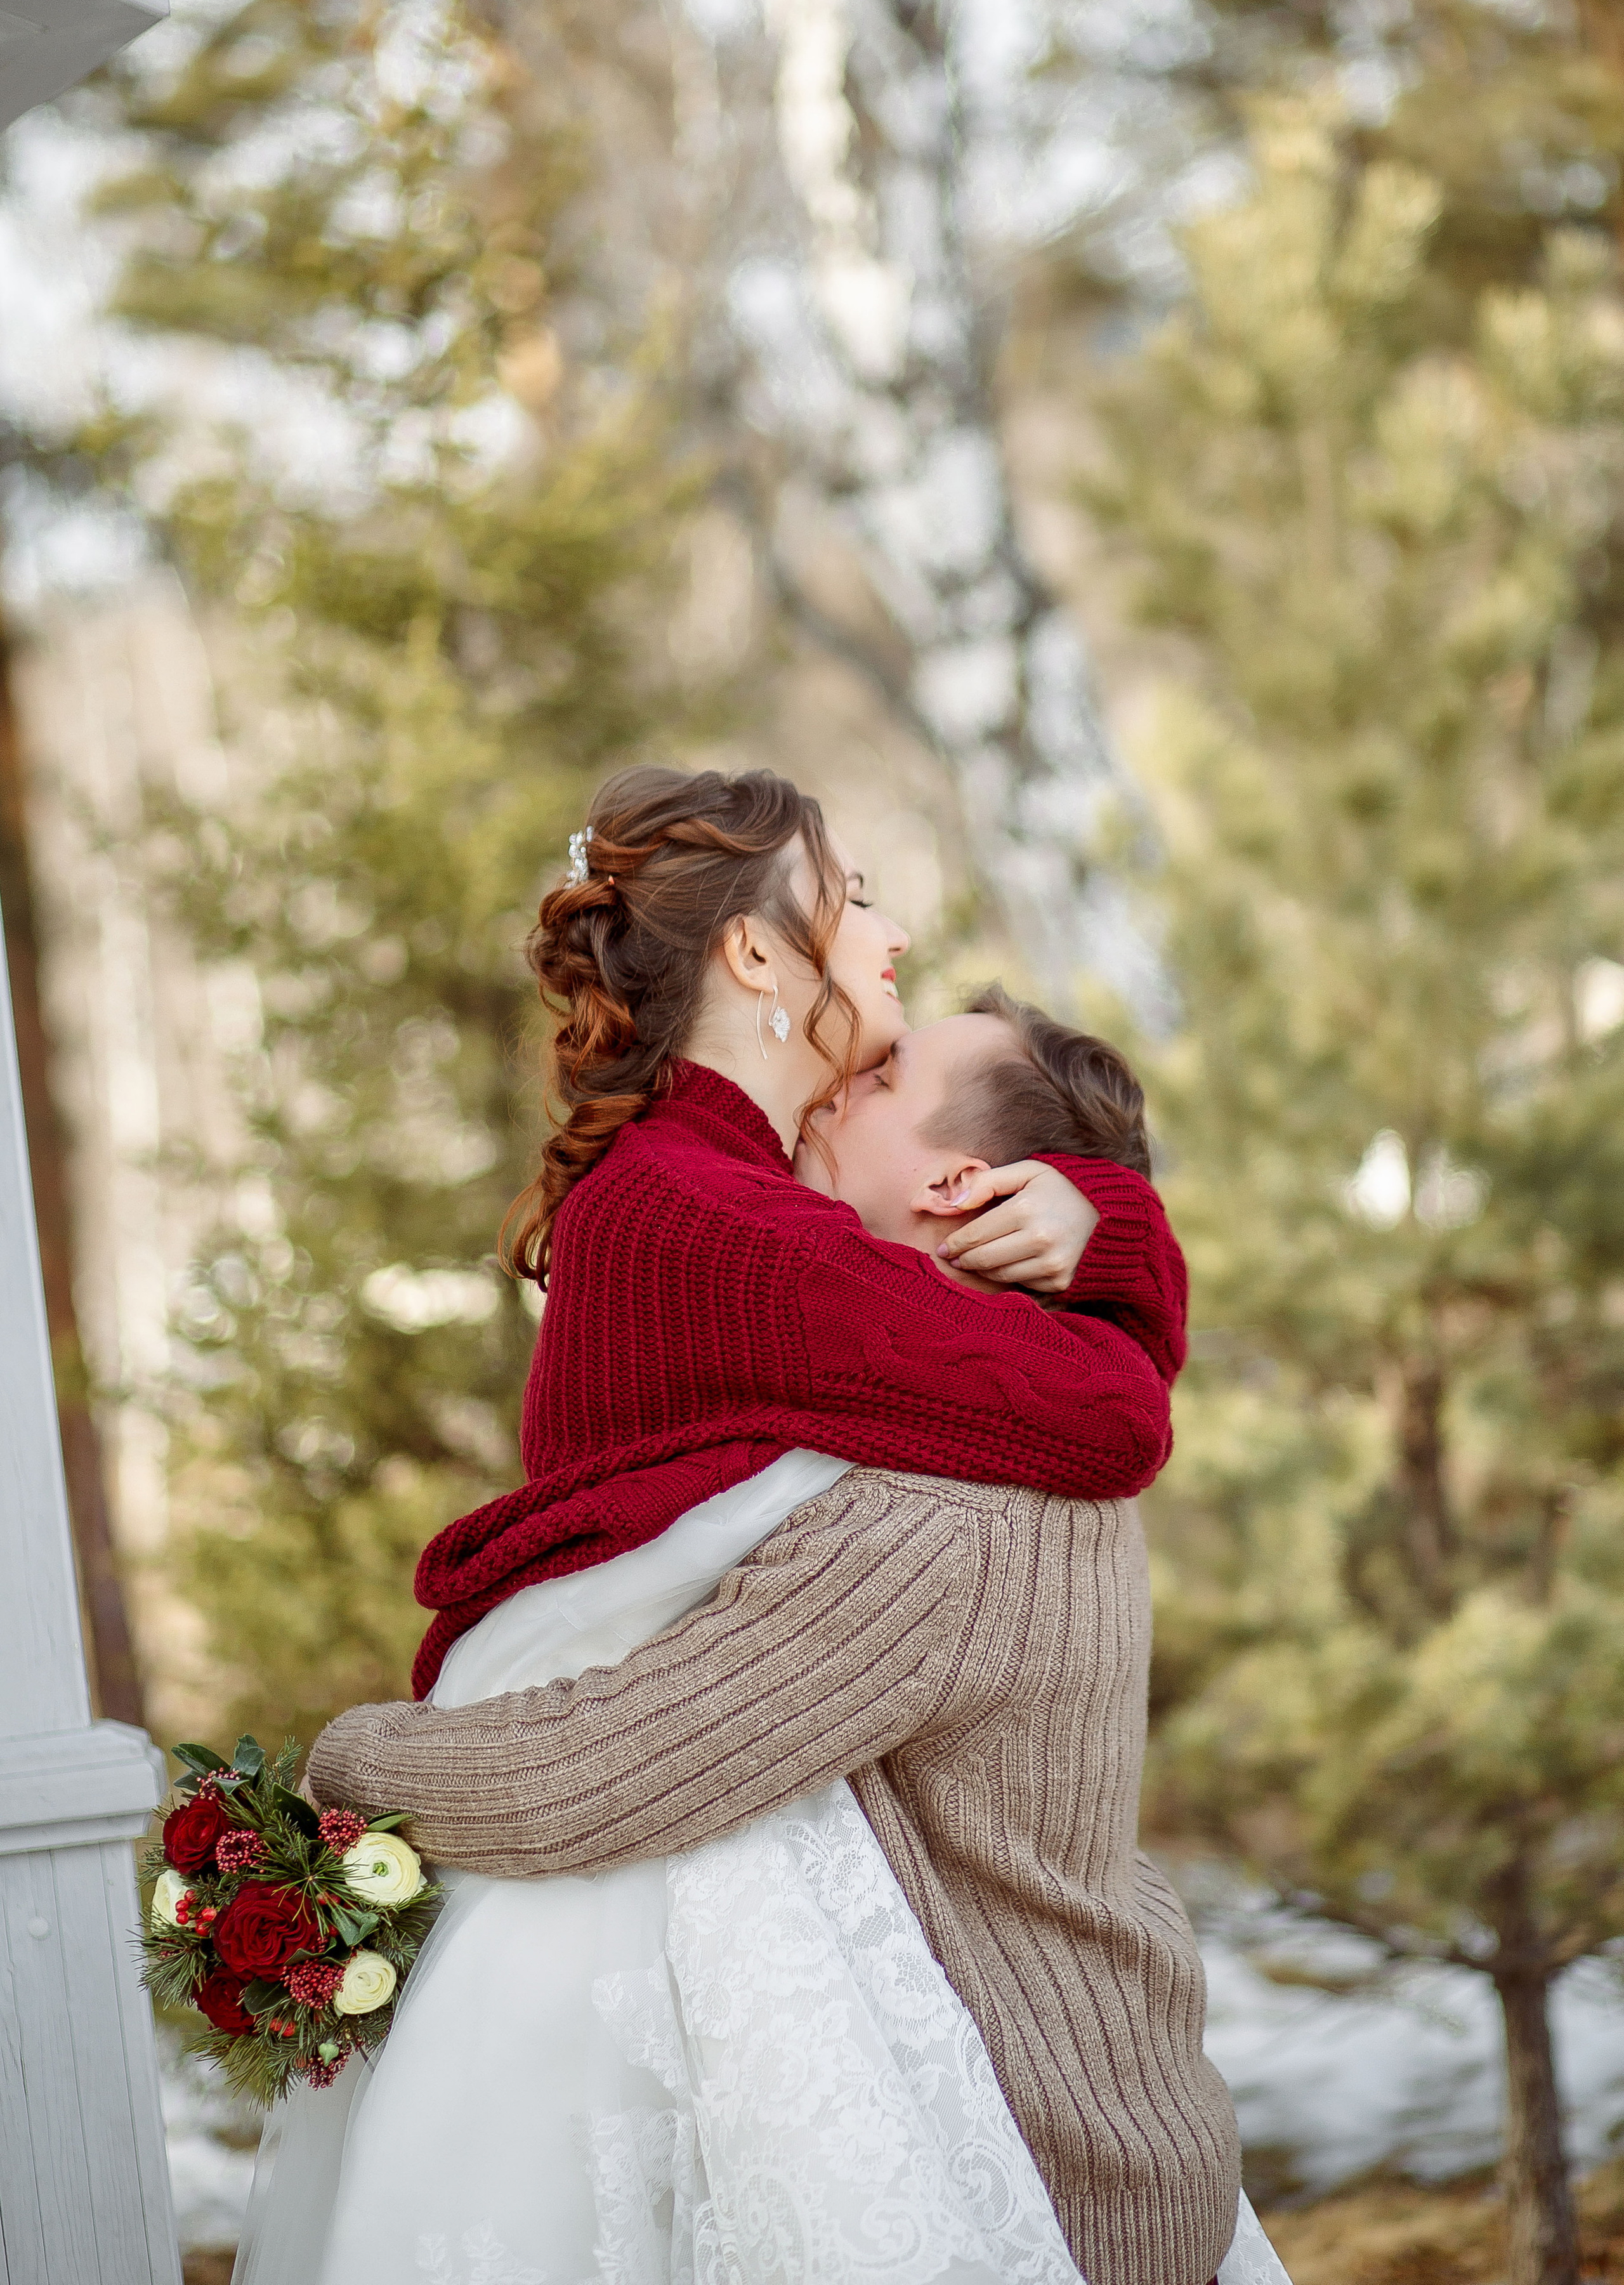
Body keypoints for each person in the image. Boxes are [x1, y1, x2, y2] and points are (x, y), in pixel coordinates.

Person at [233, 766, 1241, 2285]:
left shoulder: (902, 1469)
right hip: (983, 2085)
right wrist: (1118, 1241)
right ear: (756, 957)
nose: (886, 931)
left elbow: (616, 1757)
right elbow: (1101, 1406)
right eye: (850, 899)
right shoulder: (714, 1225)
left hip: (1041, 2131)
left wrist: (1112, 1223)